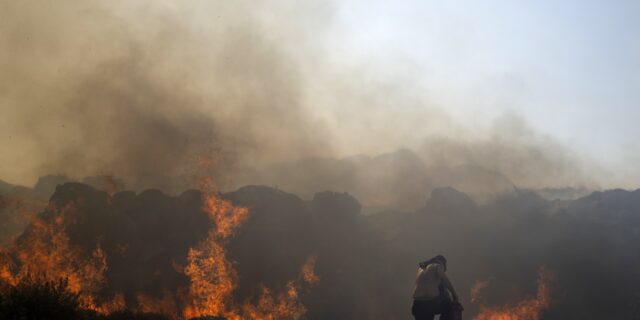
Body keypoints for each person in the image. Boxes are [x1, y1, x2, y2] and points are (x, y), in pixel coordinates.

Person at [411, 255, 460, 320]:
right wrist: (454, 294)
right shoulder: (438, 265)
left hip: (417, 305)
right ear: (443, 263)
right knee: (448, 306)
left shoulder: (421, 269)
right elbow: (445, 280)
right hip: (429, 304)